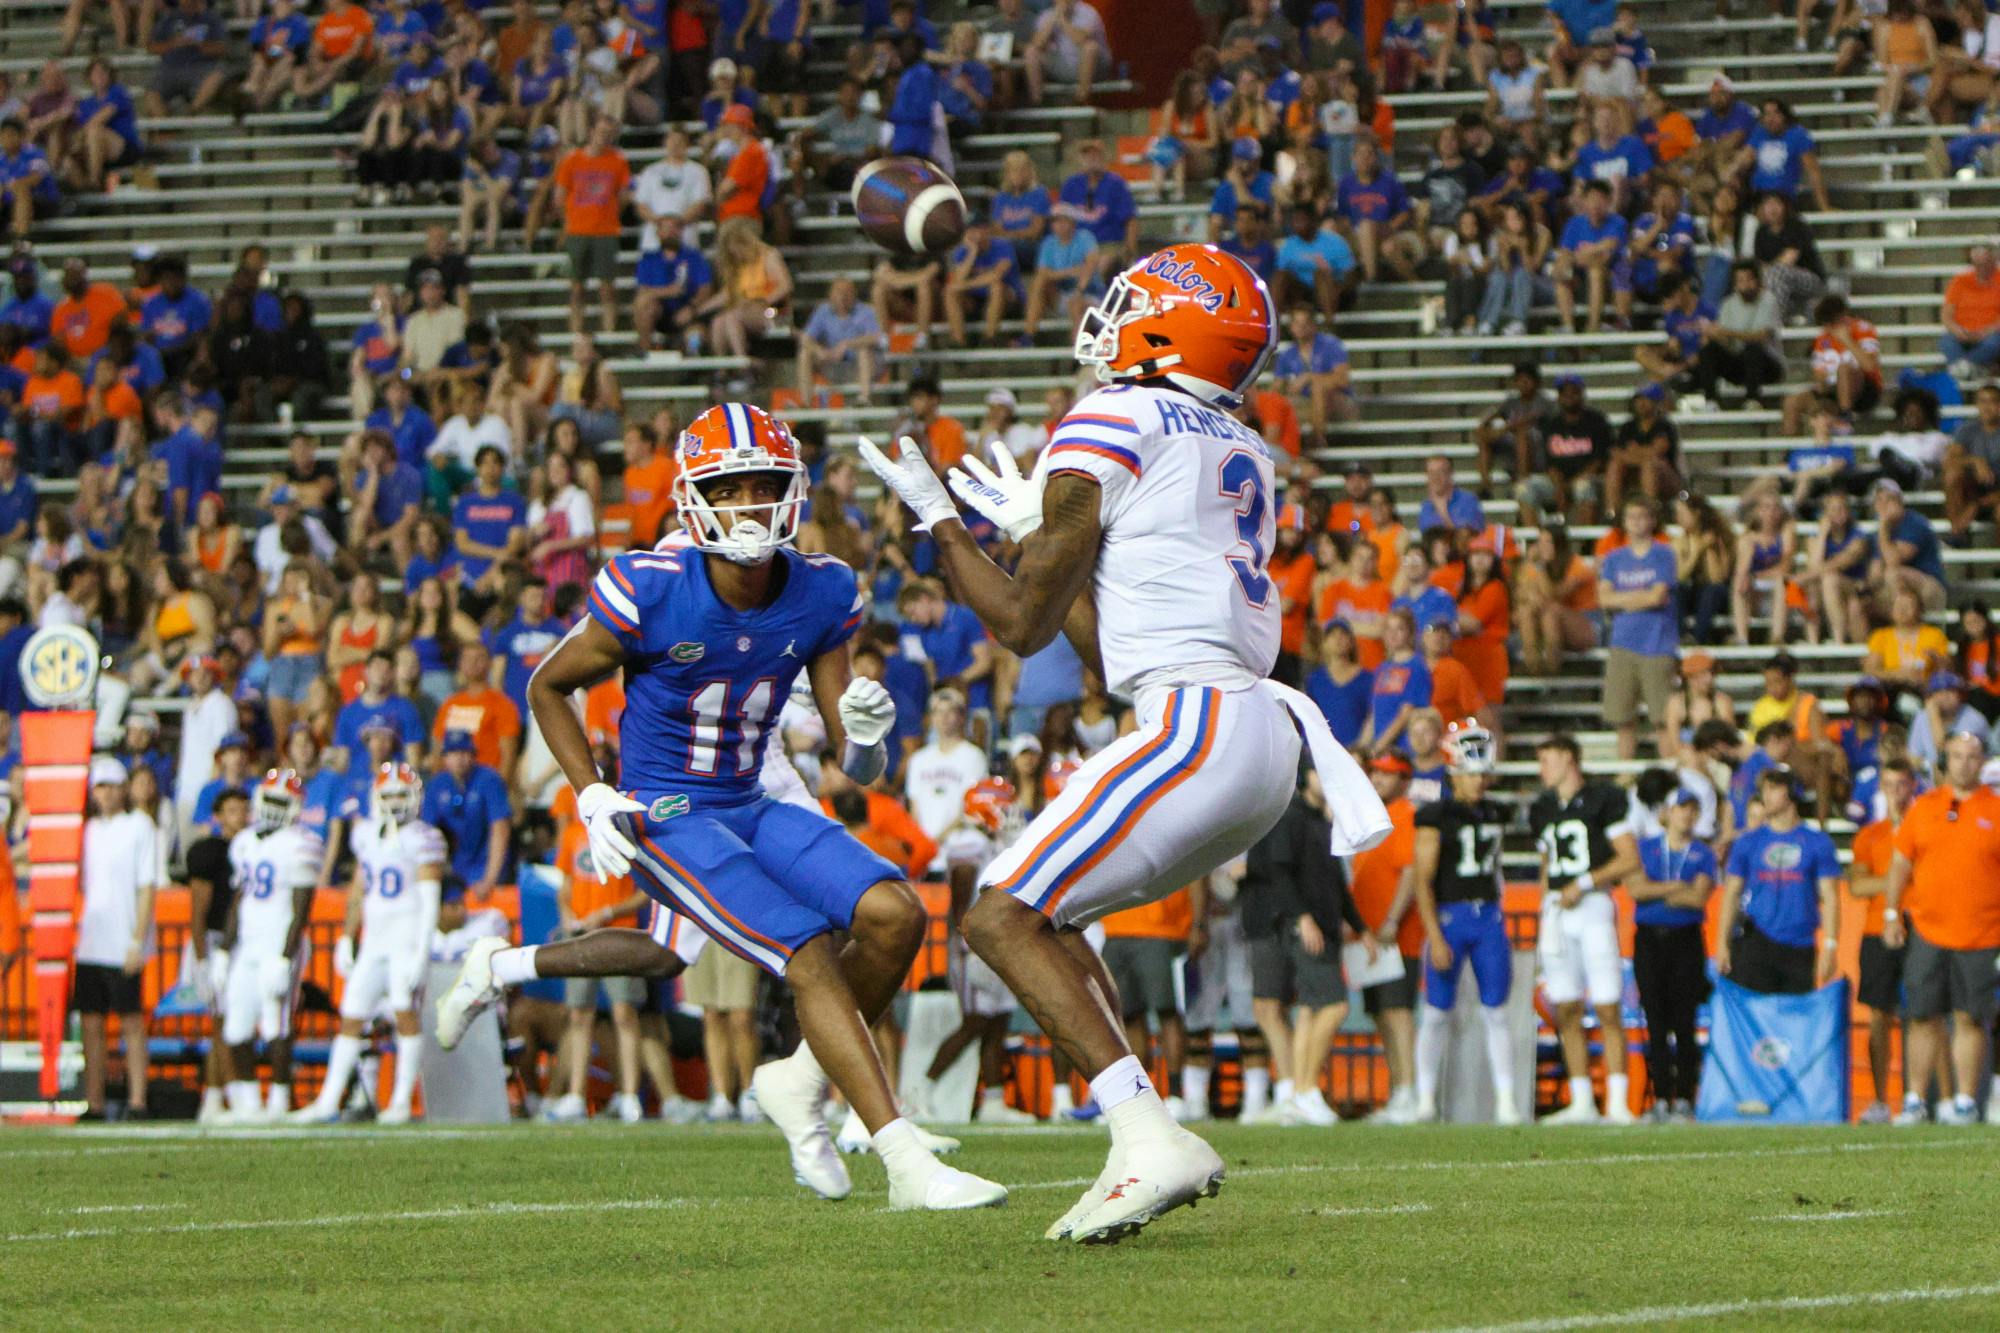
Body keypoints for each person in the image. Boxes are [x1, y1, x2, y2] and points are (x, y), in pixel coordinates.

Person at [862, 241, 1389, 1240]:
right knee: (1047, 917)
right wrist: (1043, 536)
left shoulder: (1116, 413)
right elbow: (1106, 653)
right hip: (1252, 738)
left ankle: (1147, 1135)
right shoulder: (1239, 442)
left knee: (997, 915)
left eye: (1130, 305)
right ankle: (1140, 1133)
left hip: (1196, 723)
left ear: (1169, 328)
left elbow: (1019, 625)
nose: (1108, 323)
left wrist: (939, 522)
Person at [502, 403, 1000, 1207]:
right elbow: (547, 685)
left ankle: (797, 1079)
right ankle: (903, 1157)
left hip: (750, 795)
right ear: (694, 498)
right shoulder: (651, 585)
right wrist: (591, 790)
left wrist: (868, 738)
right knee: (805, 951)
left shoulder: (822, 587)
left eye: (762, 484)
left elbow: (856, 765)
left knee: (896, 914)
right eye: (727, 489)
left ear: (791, 488)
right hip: (667, 812)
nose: (747, 504)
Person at [293, 765, 442, 1125]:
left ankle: (401, 1101)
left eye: (400, 794)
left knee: (405, 1013)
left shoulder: (423, 837)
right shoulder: (365, 834)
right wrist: (347, 936)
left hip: (405, 939)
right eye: (388, 794)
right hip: (374, 941)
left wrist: (422, 949)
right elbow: (359, 889)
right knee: (352, 1014)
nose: (394, 802)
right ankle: (329, 1100)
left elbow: (430, 899)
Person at [1883, 731, 2000, 1123]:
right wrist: (1891, 913)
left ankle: (1965, 1099)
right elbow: (1900, 863)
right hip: (1928, 928)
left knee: (1971, 1016)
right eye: (1957, 756)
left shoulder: (1995, 808)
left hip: (1983, 932)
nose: (1964, 764)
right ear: (1945, 761)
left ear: (1982, 762)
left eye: (1972, 757)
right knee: (1921, 1015)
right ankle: (1915, 1098)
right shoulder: (1924, 807)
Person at [1410, 722, 1518, 1125]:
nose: (1479, 781)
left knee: (1497, 1011)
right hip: (1450, 917)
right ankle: (1425, 1100)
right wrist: (1435, 935)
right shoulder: (1435, 815)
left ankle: (1506, 1102)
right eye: (1471, 773)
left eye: (1482, 773)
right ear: (1454, 773)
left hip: (1488, 916)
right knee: (1436, 1012)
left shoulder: (1494, 810)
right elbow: (1422, 880)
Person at [1529, 733, 1640, 1125]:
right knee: (1566, 1007)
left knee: (1608, 1005)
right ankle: (1581, 1102)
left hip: (1593, 906)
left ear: (1568, 758)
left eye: (1547, 759)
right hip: (1558, 912)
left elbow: (1629, 858)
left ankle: (1618, 1103)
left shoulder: (1603, 799)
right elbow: (1547, 866)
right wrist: (1546, 907)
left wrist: (1586, 882)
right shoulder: (1542, 808)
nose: (1542, 768)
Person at [925, 779, 1036, 1123]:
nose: (1009, 813)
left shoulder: (990, 842)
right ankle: (920, 1091)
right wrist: (968, 941)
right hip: (973, 945)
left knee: (997, 1023)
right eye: (1003, 806)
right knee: (975, 1022)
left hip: (997, 942)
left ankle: (993, 1101)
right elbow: (961, 895)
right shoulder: (968, 842)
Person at [219, 770, 322, 1124]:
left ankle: (278, 1102)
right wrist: (224, 949)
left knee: (276, 1026)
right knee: (236, 1028)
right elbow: (239, 899)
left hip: (278, 945)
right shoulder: (244, 842)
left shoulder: (300, 843)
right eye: (271, 799)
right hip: (247, 947)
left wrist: (284, 956)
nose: (275, 808)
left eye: (282, 801)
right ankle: (249, 1103)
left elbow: (301, 908)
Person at [74, 756, 161, 1120]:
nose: (106, 794)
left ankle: (138, 1100)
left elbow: (146, 886)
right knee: (91, 1024)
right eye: (101, 787)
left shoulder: (139, 825)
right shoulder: (87, 830)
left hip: (123, 940)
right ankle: (94, 1102)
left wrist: (137, 940)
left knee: (131, 1022)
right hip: (91, 942)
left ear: (123, 789)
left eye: (112, 787)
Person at [1627, 788, 1716, 1122]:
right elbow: (1636, 890)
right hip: (1650, 939)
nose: (1686, 815)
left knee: (1684, 1020)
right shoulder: (1646, 847)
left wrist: (1657, 891)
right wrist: (1677, 887)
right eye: (1680, 808)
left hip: (1686, 939)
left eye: (1692, 809)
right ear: (1666, 813)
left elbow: (1698, 898)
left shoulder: (1702, 853)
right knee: (1655, 1019)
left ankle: (1685, 1098)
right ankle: (1661, 1096)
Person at [1716, 767, 1842, 996]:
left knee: (1795, 1014)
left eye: (1773, 789)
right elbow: (1732, 893)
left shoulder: (1817, 842)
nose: (1766, 796)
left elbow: (1831, 897)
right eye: (1764, 790)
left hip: (1800, 943)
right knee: (1756, 1012)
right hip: (1757, 939)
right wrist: (1722, 942)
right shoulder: (1748, 842)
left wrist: (1830, 946)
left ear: (1791, 793)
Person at [1846, 758, 1914, 1124]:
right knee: (1878, 1014)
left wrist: (1885, 881)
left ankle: (1918, 1097)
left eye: (1901, 784)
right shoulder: (1870, 835)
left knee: (1923, 1013)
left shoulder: (1922, 829)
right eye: (1889, 785)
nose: (1895, 792)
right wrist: (1901, 877)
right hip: (1876, 930)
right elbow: (1857, 885)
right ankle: (1879, 1099)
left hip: (1920, 925)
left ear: (1912, 787)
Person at [554, 115, 631, 339]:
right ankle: (576, 333)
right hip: (578, 229)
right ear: (591, 132)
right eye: (600, 132)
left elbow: (624, 195)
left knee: (607, 287)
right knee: (577, 287)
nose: (603, 137)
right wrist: (569, 220)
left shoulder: (617, 161)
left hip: (606, 230)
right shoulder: (572, 160)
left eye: (608, 134)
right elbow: (560, 196)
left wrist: (610, 214)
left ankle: (608, 332)